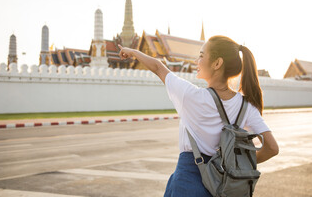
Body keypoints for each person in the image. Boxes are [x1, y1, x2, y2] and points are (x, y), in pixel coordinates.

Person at [118, 35, 279, 197]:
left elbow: (158, 67)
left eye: (201, 56)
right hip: (224, 186)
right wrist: (235, 164)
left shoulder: (191, 96)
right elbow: (272, 148)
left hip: (188, 182)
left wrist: (132, 52)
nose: (197, 61)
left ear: (217, 63)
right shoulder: (246, 106)